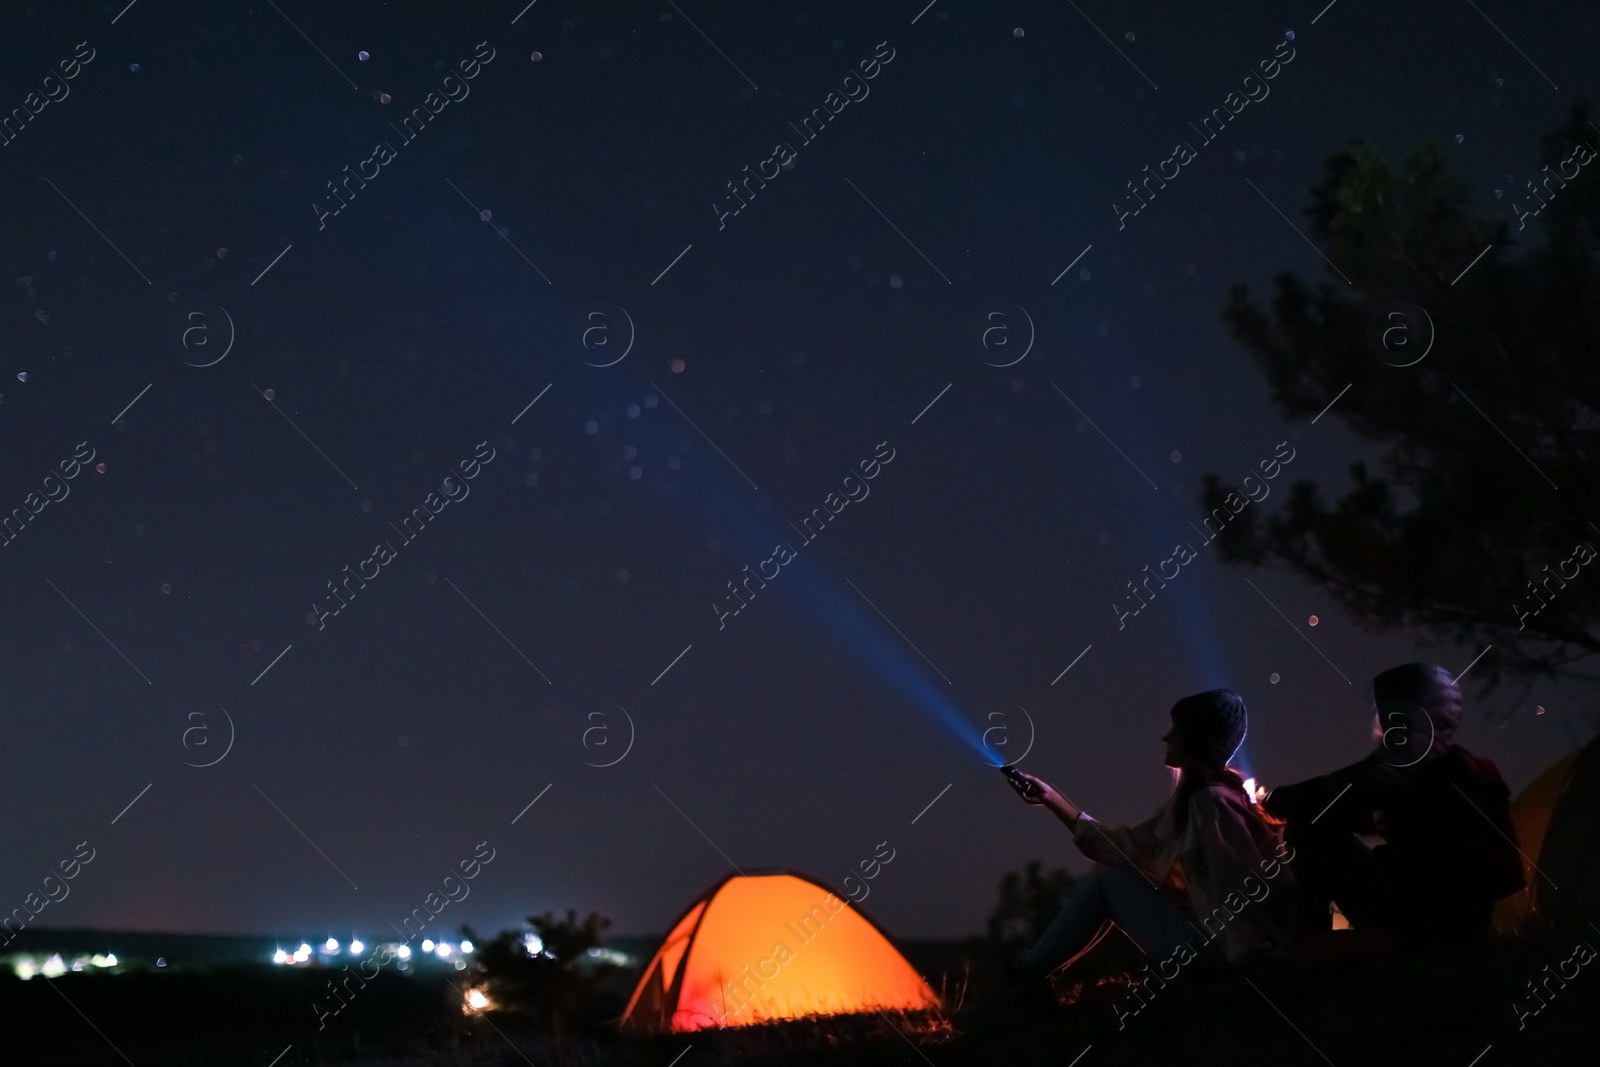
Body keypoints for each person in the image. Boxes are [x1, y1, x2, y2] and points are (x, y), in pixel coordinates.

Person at [990, 689, 1292, 1007]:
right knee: (1110, 881)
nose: (1166, 738)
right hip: (1221, 948)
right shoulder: (1197, 803)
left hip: (1226, 957)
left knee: (1106, 885)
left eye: (1175, 731)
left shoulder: (1212, 804)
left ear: (1194, 740)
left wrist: (1246, 971)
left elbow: (1239, 885)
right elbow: (1125, 848)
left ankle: (1017, 985)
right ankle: (1021, 981)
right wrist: (1052, 799)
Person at [1263, 663, 1524, 942]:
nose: (1378, 721)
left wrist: (1275, 800)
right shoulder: (1454, 763)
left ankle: (1314, 938)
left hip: (1430, 911)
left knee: (1307, 829)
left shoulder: (1409, 760)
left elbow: (1341, 789)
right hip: (1466, 912)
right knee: (1324, 821)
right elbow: (1367, 807)